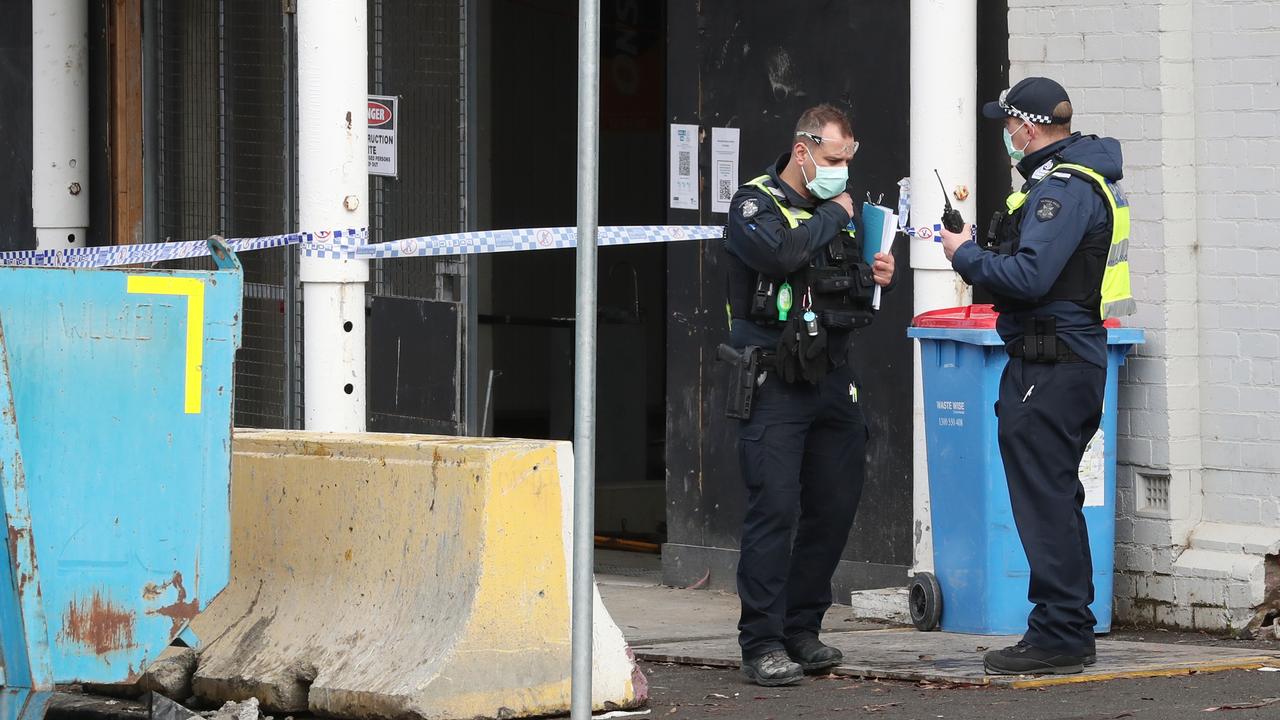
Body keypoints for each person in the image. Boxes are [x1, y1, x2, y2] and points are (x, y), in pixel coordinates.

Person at [939, 77, 1134, 675]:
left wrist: (963, 255)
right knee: (1055, 496)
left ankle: (1059, 634)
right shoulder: (1073, 181)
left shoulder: (1065, 189)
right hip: (1062, 357)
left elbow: (1029, 277)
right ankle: (1065, 627)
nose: (1005, 133)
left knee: (1044, 498)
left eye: (1007, 123)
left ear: (1028, 126)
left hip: (1051, 362)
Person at [722, 103, 895, 687]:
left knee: (834, 505)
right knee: (774, 509)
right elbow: (782, 255)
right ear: (803, 150)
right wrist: (833, 215)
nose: (842, 171)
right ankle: (762, 641)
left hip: (832, 377)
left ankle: (802, 628)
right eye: (832, 159)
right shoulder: (753, 205)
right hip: (774, 380)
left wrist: (874, 276)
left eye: (848, 160)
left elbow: (840, 288)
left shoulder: (839, 213)